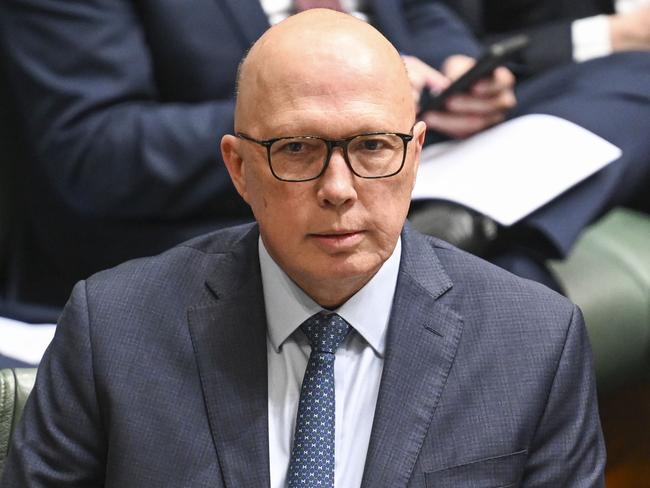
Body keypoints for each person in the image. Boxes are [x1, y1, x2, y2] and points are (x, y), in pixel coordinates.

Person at [1, 10, 605, 487]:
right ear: (238, 169)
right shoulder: (111, 328)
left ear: (415, 154)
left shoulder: (538, 342)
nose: (338, 190)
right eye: (296, 150)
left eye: (372, 146)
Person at [0, 0, 514, 308]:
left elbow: (420, 10)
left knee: (593, 89)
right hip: (210, 223)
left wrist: (457, 65)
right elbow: (96, 150)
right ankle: (458, 227)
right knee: (508, 280)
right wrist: (309, 121)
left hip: (418, 158)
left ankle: (458, 223)